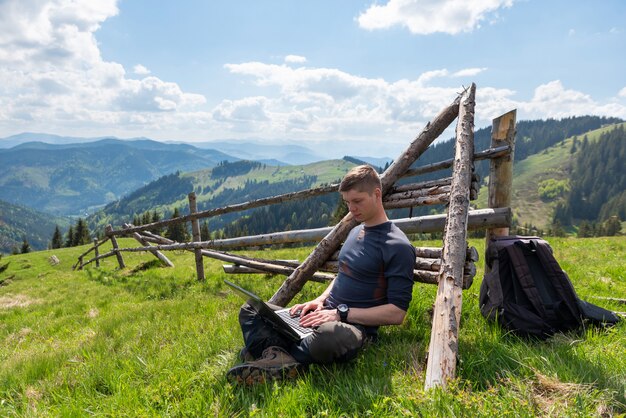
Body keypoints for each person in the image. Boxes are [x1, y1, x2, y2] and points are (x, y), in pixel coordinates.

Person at [227, 165, 417, 385]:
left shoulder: (398, 246)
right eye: (347, 202)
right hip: (322, 315)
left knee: (330, 335)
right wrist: (319, 301)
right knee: (251, 308)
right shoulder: (356, 231)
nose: (351, 209)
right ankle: (279, 359)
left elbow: (396, 314)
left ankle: (268, 354)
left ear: (376, 194)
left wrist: (340, 314)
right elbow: (342, 274)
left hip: (352, 328)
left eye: (357, 201)